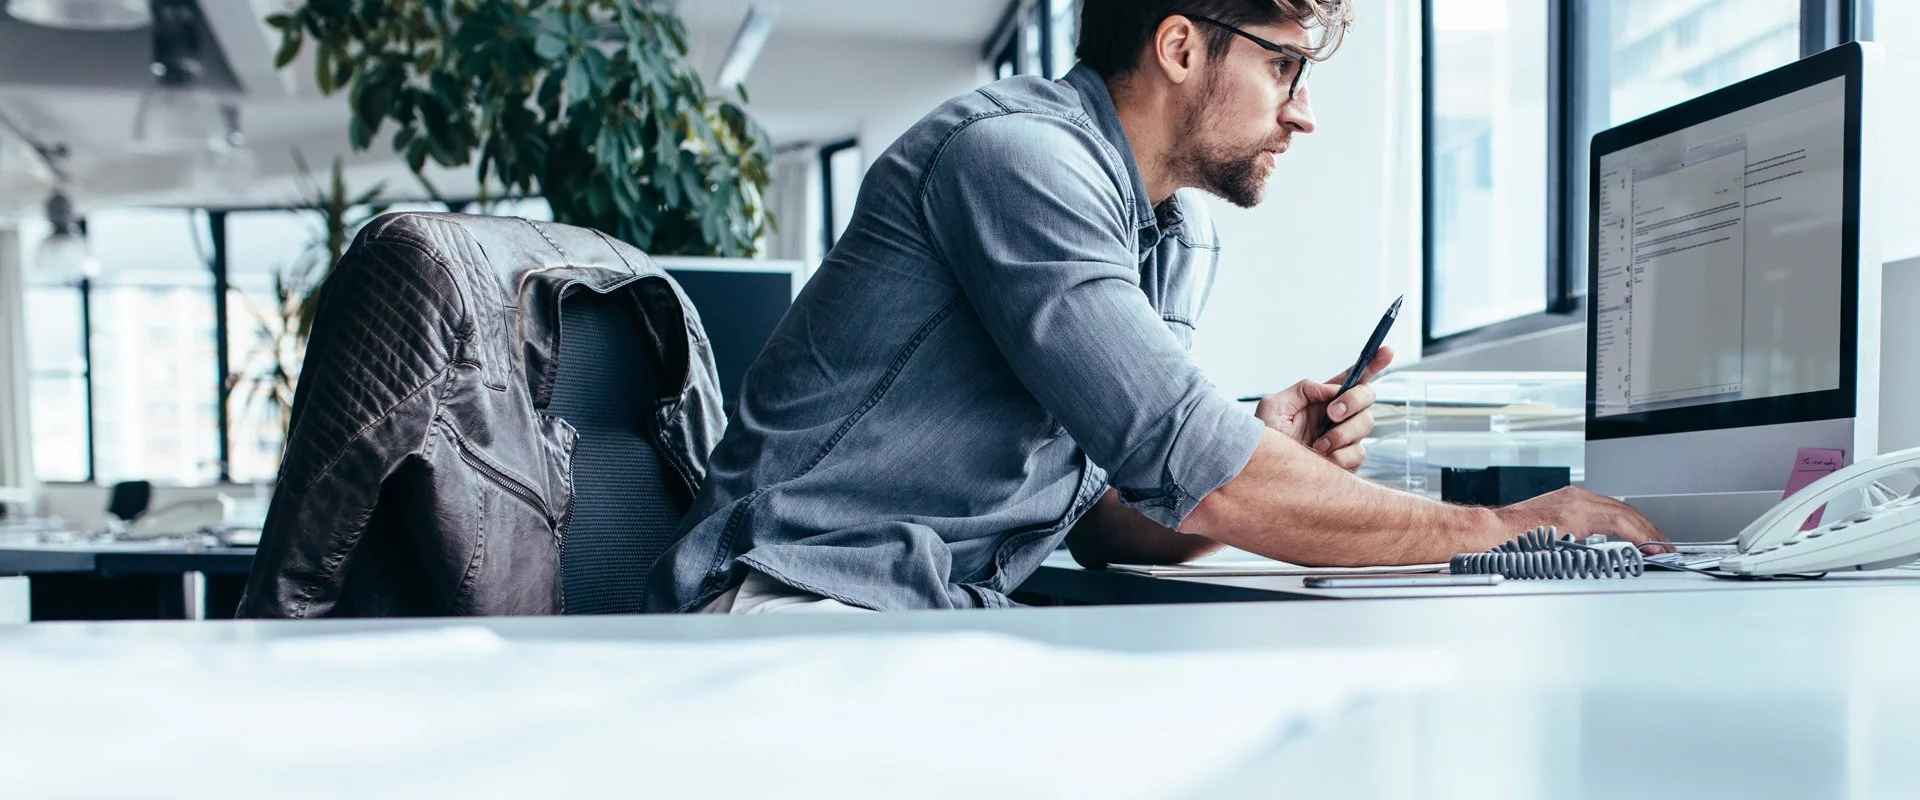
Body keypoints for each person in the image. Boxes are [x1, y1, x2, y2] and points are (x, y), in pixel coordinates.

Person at [644, 0, 1666, 615]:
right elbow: (1197, 470)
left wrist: (1264, 443)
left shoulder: (1175, 231)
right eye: (1283, 65)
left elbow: (1110, 520)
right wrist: (1502, 526)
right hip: (792, 601)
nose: (1303, 110)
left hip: (930, 611)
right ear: (1181, 46)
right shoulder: (1019, 161)